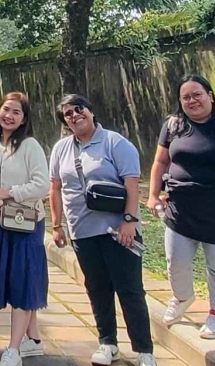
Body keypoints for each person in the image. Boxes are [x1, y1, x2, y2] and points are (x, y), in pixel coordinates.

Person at [146, 74, 215, 341]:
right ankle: (182, 297)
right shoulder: (172, 126)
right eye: (186, 97)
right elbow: (160, 163)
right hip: (180, 209)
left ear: (210, 96)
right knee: (175, 262)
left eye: (197, 94)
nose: (192, 100)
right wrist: (152, 194)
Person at [48, 95, 154, 366]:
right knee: (97, 288)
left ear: (91, 111)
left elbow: (131, 184)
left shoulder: (115, 143)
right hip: (82, 231)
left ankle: (144, 351)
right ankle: (107, 342)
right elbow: (55, 188)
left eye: (78, 109)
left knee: (129, 290)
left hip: (118, 231)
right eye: (67, 114)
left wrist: (129, 221)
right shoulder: (61, 149)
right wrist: (57, 226)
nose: (74, 115)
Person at [0, 92, 49, 366]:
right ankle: (32, 339)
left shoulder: (30, 145)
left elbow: (42, 185)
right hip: (2, 225)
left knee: (22, 281)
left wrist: (9, 192)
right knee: (16, 280)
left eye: (16, 112)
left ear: (24, 119)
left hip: (26, 223)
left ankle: (12, 350)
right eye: (6, 109)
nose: (9, 116)